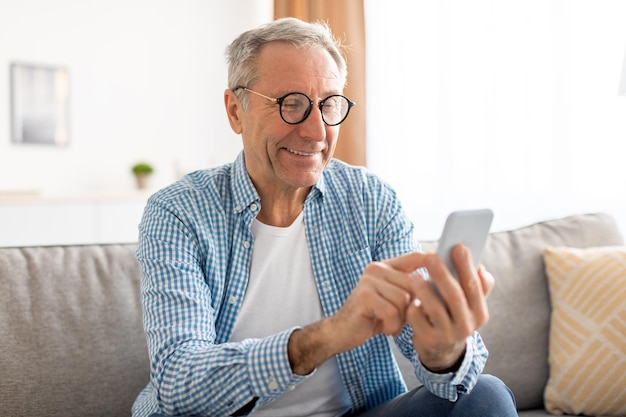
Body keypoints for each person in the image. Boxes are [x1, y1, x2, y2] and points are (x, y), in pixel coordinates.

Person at [132, 17, 517, 417]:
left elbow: (448, 375)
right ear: (235, 111)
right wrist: (329, 335)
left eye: (329, 104)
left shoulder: (371, 200)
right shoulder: (178, 211)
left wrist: (444, 351)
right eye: (292, 104)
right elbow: (179, 383)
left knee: (484, 396)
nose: (317, 131)